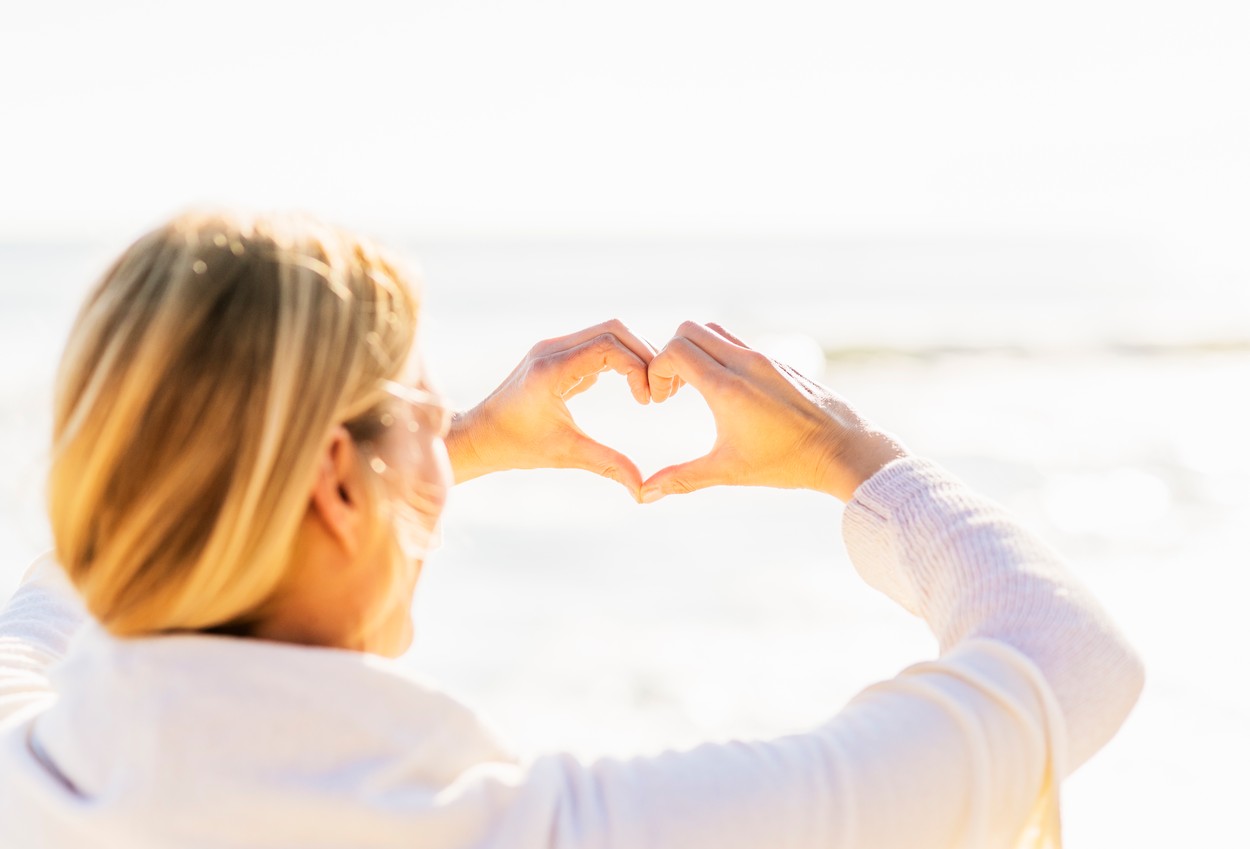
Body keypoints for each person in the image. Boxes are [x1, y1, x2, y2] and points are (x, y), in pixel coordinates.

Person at [0, 211, 1143, 849]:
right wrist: (842, 451)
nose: (442, 440)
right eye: (421, 413)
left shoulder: (33, 779)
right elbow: (1068, 659)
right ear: (337, 484)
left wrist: (430, 451)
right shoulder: (563, 832)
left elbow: (83, 585)